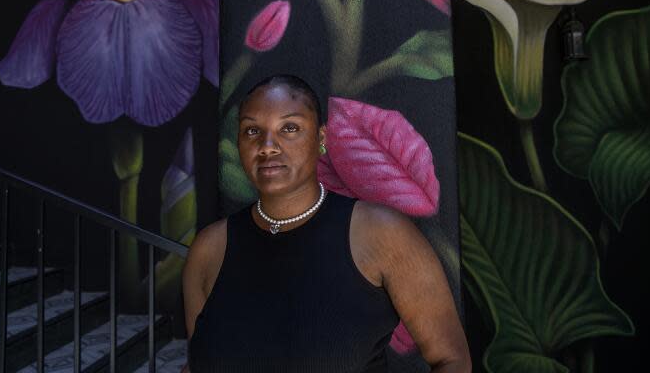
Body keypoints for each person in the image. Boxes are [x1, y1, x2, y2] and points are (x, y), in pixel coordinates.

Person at [182, 75, 471, 372]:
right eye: (252, 130)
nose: (267, 146)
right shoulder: (210, 250)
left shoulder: (379, 234)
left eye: (290, 128)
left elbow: (452, 360)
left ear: (321, 140)